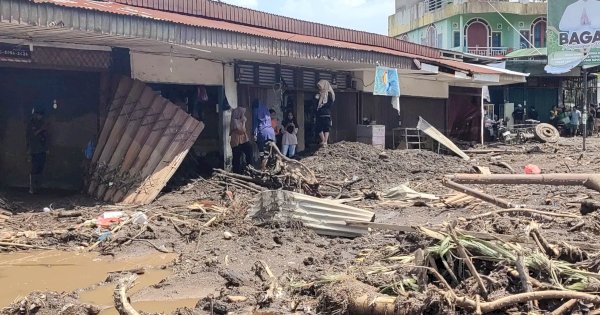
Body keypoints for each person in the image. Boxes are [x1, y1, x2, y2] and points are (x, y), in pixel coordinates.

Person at [26, 109, 48, 194]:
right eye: (39, 115)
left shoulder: (41, 123)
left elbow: (44, 137)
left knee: (40, 167)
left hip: (41, 149)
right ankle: (31, 187)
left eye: (41, 115)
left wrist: (46, 148)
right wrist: (42, 129)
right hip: (34, 149)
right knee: (34, 168)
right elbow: (33, 134)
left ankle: (37, 187)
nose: (40, 117)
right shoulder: (31, 123)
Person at [253, 99, 276, 171]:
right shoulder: (266, 111)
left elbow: (255, 124)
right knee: (270, 152)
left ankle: (262, 168)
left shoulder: (256, 111)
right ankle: (269, 167)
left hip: (262, 134)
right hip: (271, 133)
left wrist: (254, 134)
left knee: (263, 153)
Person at [230, 104, 253, 174]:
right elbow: (241, 130)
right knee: (236, 157)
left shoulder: (241, 119)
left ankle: (249, 168)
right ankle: (236, 172)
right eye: (241, 113)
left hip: (243, 140)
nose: (243, 115)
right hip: (236, 141)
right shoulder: (234, 120)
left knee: (249, 150)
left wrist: (243, 121)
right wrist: (243, 122)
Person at [316, 79, 335, 147]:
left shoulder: (329, 93)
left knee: (326, 127)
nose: (319, 88)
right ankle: (323, 140)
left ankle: (325, 141)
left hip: (326, 113)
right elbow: (315, 102)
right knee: (319, 127)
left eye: (320, 86)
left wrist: (323, 105)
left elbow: (330, 103)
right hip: (319, 113)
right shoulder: (319, 93)